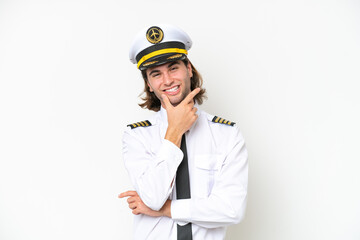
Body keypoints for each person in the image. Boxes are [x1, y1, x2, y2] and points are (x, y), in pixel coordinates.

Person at [119, 24, 248, 240]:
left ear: (188, 69)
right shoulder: (136, 136)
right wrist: (174, 131)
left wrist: (165, 209)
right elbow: (152, 197)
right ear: (149, 84)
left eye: (173, 68)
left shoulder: (227, 135)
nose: (167, 80)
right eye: (156, 74)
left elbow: (232, 209)